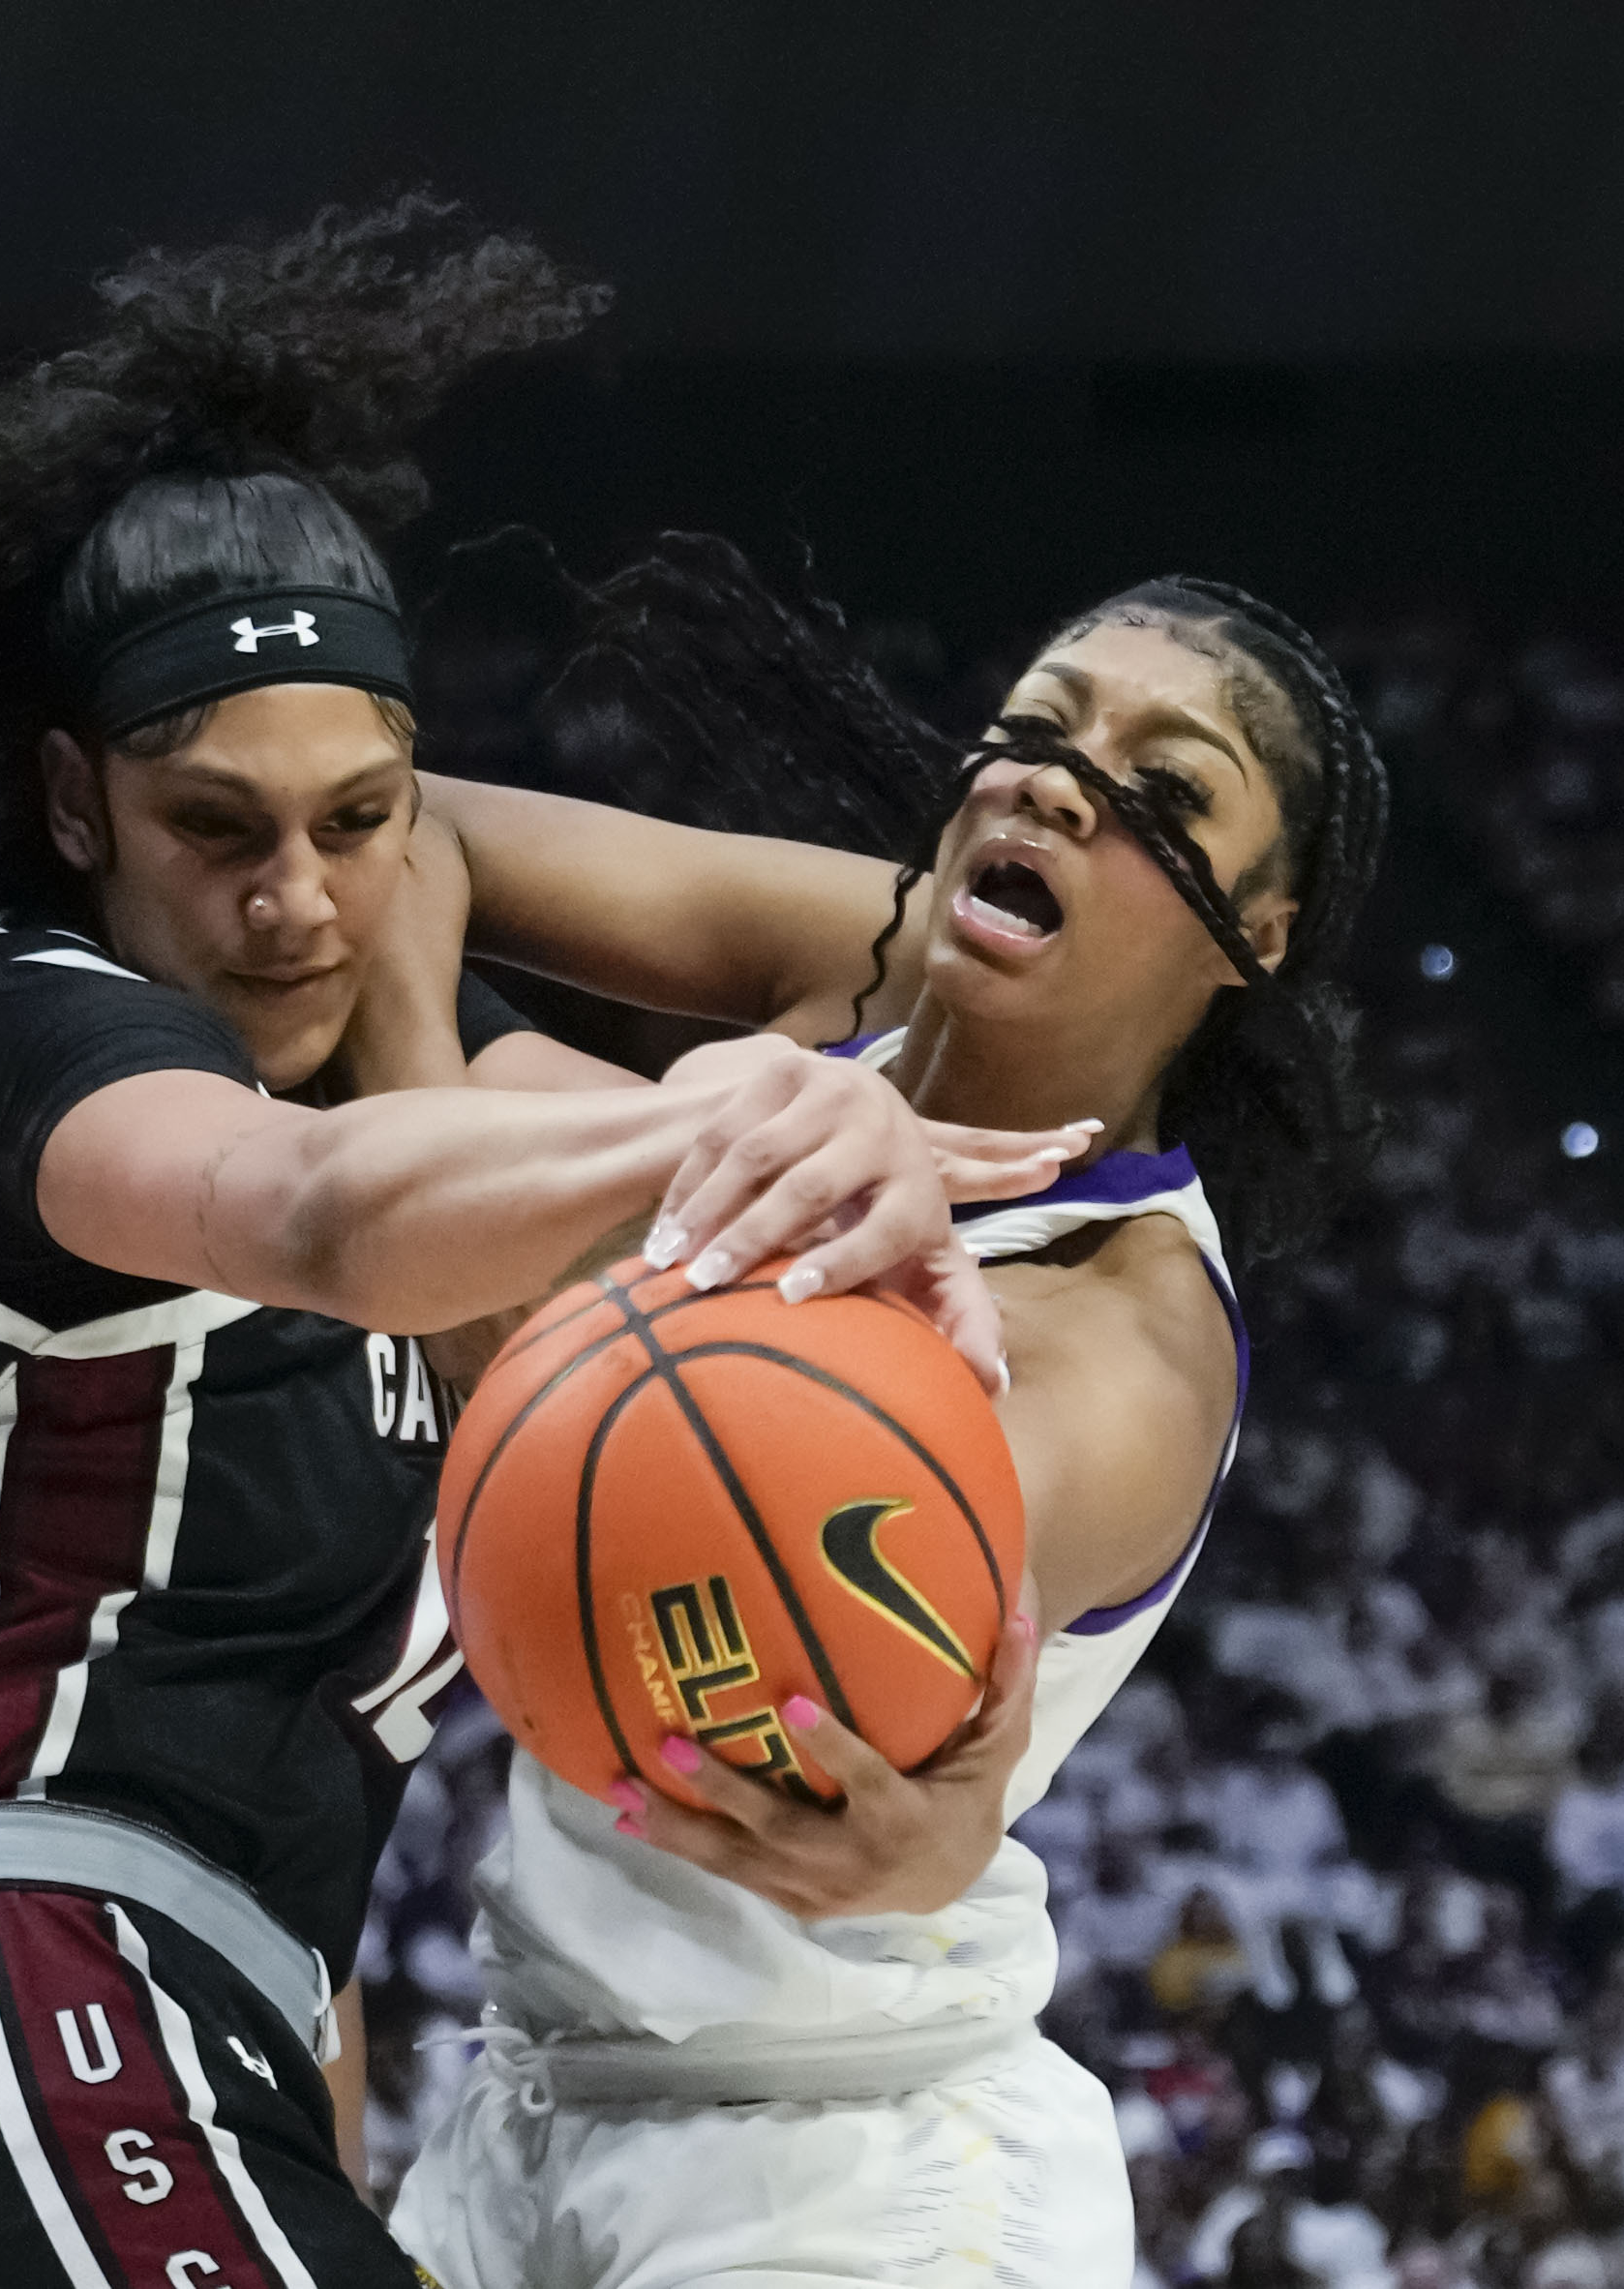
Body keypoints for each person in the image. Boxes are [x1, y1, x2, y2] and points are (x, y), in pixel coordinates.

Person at [0, 203, 1078, 2287]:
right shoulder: (25, 1039)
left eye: (362, 819)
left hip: (144, 2046)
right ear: (74, 802)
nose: (296, 895)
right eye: (217, 826)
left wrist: (936, 1800)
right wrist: (720, 1105)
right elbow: (315, 1217)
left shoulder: (455, 1092)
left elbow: (958, 1005)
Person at [389, 545, 1387, 2282]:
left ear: (1258, 932)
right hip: (535, 2095)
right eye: (1035, 730)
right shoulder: (874, 959)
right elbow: (387, 835)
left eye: (1160, 791)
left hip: (847, 2174)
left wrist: (447, 1123)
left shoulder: (1125, 1330)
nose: (1058, 789)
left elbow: (625, 1432)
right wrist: (451, 1105)